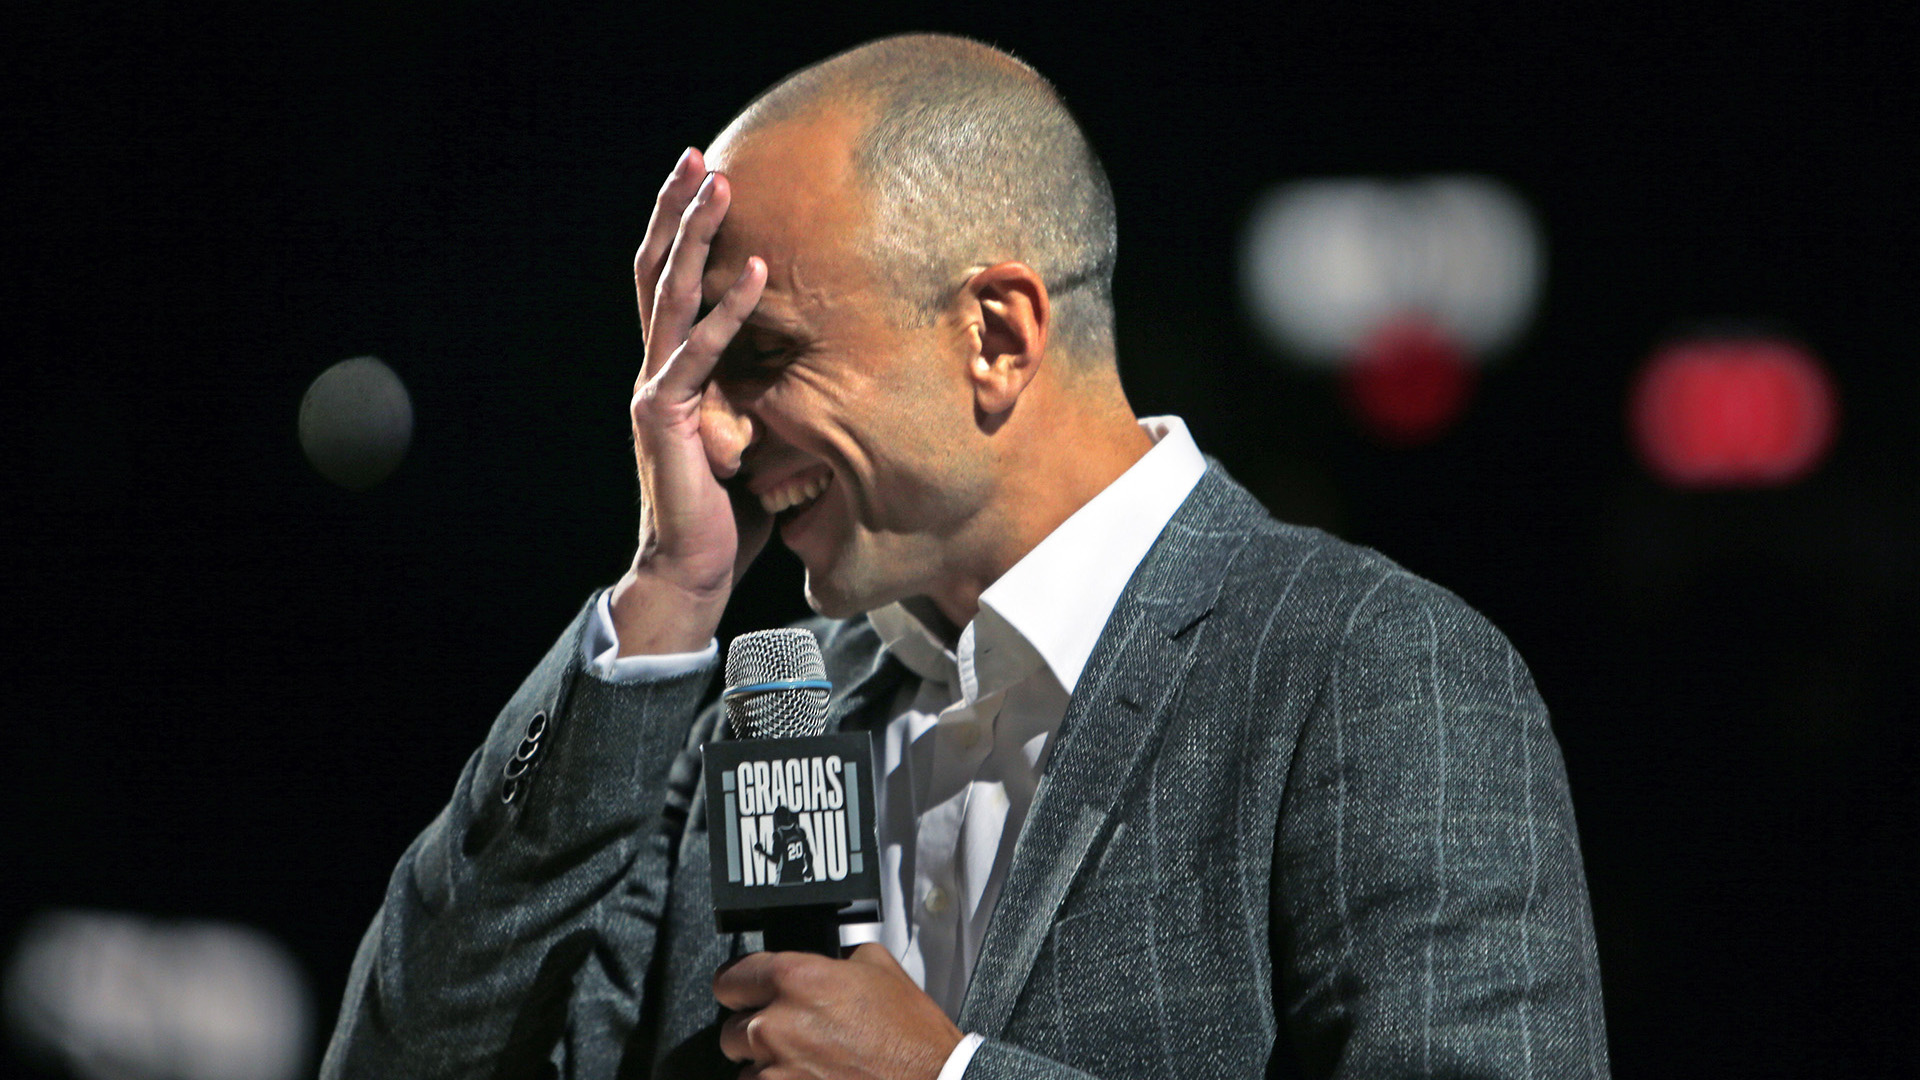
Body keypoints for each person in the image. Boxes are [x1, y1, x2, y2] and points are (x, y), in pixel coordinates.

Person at [322, 33, 1609, 1080]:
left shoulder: (1372, 670)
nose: (707, 432)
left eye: (760, 360)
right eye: (692, 376)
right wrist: (665, 597)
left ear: (996, 332)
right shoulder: (753, 725)